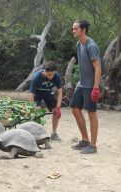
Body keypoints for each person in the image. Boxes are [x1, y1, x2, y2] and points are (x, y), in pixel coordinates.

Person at [70, 19, 101, 154]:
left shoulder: (91, 46)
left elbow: (98, 67)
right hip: (81, 84)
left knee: (91, 113)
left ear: (83, 30)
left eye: (76, 29)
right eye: (73, 28)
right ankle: (85, 140)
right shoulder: (79, 44)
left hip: (91, 86)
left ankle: (93, 146)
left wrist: (96, 87)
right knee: (75, 109)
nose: (73, 31)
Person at [29, 61, 63, 141]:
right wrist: (32, 108)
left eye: (52, 74)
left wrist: (58, 107)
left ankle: (54, 133)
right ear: (44, 71)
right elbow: (31, 94)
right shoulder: (37, 77)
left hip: (48, 92)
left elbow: (60, 91)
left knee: (56, 111)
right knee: (37, 112)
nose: (51, 77)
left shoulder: (57, 76)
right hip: (37, 94)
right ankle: (36, 134)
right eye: (48, 75)